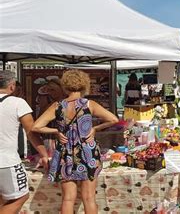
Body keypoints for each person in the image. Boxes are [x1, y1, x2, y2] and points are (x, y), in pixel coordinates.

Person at [32, 69, 118, 214]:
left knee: (67, 199)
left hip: (65, 153)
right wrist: (95, 128)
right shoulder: (89, 104)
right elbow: (114, 119)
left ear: (64, 85)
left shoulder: (57, 106)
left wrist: (56, 132)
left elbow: (36, 126)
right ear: (85, 85)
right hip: (87, 152)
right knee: (89, 198)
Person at [0, 71, 49, 213]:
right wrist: (44, 154)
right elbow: (31, 132)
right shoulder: (17, 103)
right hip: (6, 161)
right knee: (20, 197)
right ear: (12, 86)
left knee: (3, 199)